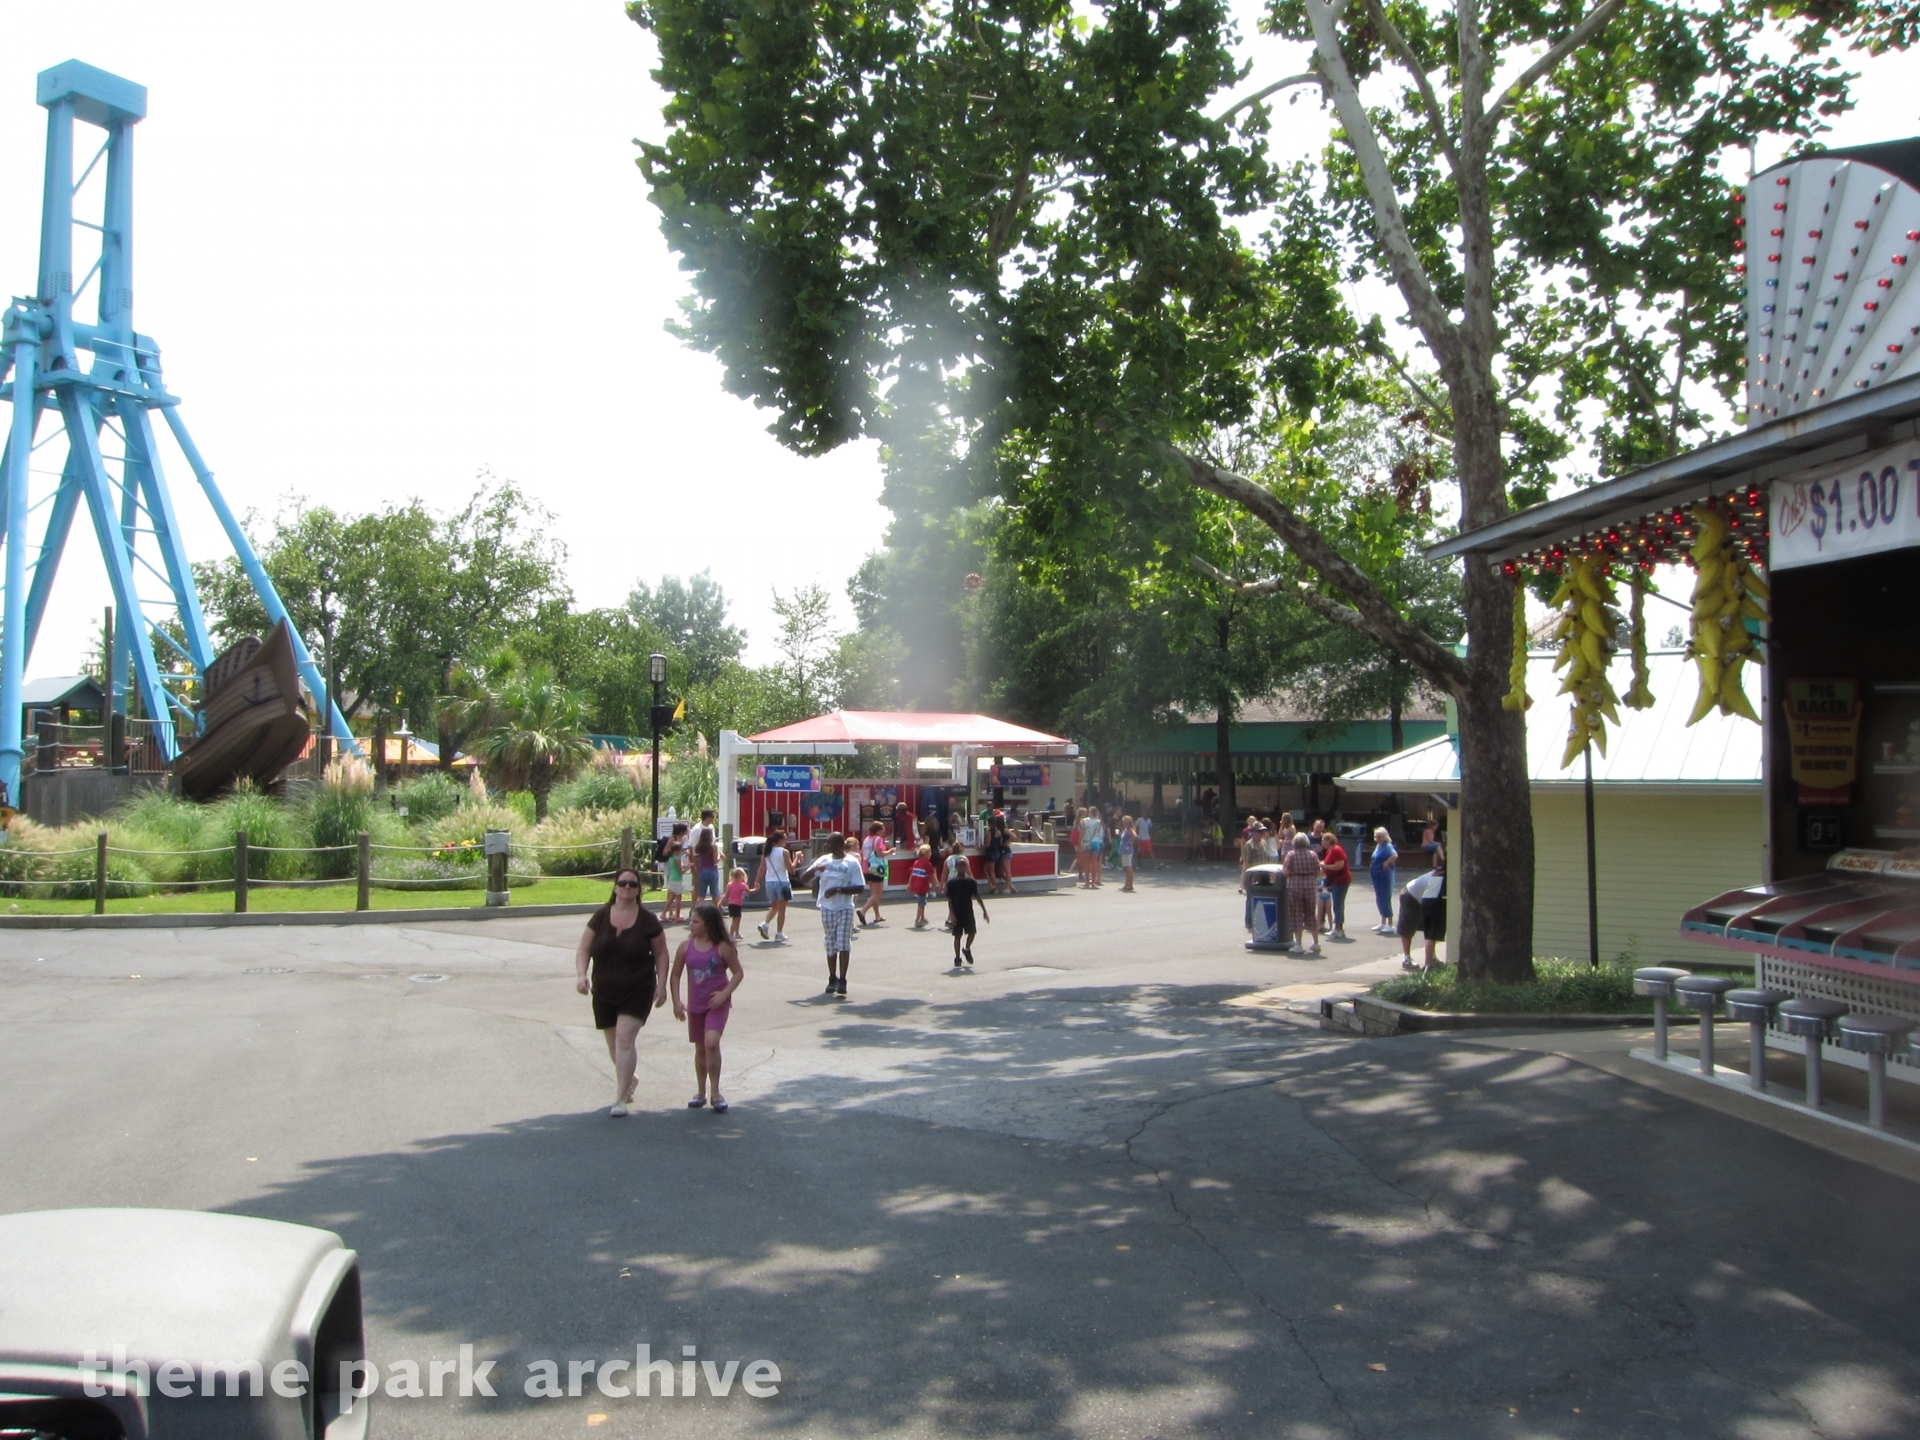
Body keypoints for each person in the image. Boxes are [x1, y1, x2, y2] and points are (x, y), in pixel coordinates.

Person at [573, 868, 669, 1116]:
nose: (627, 887)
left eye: (633, 884)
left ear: (638, 890)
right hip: (604, 988)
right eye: (623, 883)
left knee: (624, 1040)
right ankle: (630, 1079)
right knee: (615, 1045)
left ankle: (620, 1098)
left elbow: (661, 953)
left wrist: (661, 984)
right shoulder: (601, 916)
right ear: (615, 887)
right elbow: (584, 949)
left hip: (638, 988)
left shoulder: (647, 920)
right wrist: (581, 975)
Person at [670, 903, 742, 1114]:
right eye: (691, 920)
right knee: (700, 1048)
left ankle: (716, 1092)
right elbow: (675, 975)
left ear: (708, 924)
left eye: (695, 921)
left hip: (716, 1004)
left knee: (711, 1042)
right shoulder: (685, 947)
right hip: (695, 1004)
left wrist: (724, 994)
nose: (691, 924)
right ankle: (701, 1091)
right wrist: (676, 1001)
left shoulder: (723, 947)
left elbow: (738, 973)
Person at [800, 833, 866, 996]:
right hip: (827, 907)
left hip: (845, 907)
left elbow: (859, 887)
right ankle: (832, 978)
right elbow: (803, 878)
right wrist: (816, 869)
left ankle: (842, 980)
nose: (826, 846)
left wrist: (838, 889)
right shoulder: (824, 860)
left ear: (838, 845)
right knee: (830, 943)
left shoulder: (851, 862)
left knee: (843, 942)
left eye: (829, 843)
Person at [1282, 831, 1324, 956]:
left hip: (1295, 886)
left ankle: (1299, 945)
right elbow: (1318, 873)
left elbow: (1286, 872)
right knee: (1311, 913)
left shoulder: (1291, 855)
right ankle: (1316, 943)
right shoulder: (1313, 855)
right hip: (1310, 886)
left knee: (1296, 914)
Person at [945, 849, 989, 968]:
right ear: (956, 867)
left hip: (968, 911)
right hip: (957, 911)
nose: (962, 868)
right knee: (957, 935)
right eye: (960, 865)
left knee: (972, 932)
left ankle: (967, 948)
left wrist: (984, 911)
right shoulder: (952, 883)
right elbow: (950, 899)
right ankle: (957, 957)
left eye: (964, 866)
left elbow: (977, 896)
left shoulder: (971, 881)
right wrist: (951, 914)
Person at [1406, 848, 1447, 971]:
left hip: (1426, 901)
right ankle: (1428, 964)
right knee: (1432, 935)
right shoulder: (1448, 874)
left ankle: (1431, 960)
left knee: (1429, 934)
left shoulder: (1437, 872)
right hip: (1436, 902)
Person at [754, 829, 793, 943]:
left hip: (769, 881)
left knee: (775, 906)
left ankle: (765, 924)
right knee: (782, 910)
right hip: (782, 881)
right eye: (784, 838)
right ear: (779, 840)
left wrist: (756, 881)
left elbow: (761, 868)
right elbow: (791, 869)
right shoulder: (784, 852)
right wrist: (797, 859)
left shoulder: (767, 852)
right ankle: (779, 933)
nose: (786, 840)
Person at [1320, 832, 1351, 941]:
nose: (1322, 842)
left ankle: (1339, 929)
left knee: (1338, 904)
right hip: (1334, 881)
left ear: (1329, 840)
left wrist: (1326, 866)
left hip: (1341, 881)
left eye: (1323, 840)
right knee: (1337, 904)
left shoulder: (1337, 850)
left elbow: (1339, 865)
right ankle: (1337, 927)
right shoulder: (1330, 851)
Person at [859, 819, 891, 926]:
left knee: (873, 894)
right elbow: (880, 854)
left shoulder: (867, 839)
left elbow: (862, 853)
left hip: (866, 867)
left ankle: (877, 915)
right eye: (882, 828)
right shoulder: (878, 839)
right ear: (878, 830)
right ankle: (863, 911)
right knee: (877, 894)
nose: (884, 830)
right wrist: (890, 851)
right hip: (876, 868)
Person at [1368, 827, 1400, 934]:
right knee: (1379, 899)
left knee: (1385, 898)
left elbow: (1394, 855)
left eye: (1379, 837)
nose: (1377, 839)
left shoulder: (1388, 846)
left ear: (1385, 837)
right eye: (1376, 837)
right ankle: (1382, 922)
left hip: (1385, 876)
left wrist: (1386, 863)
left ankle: (1390, 924)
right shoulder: (1379, 846)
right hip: (1377, 876)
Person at [690, 808, 722, 905]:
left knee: (713, 890)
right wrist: (693, 864)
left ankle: (715, 908)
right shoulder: (696, 829)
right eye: (712, 816)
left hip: (708, 856)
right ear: (707, 817)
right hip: (698, 858)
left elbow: (713, 842)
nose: (714, 818)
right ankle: (693, 906)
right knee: (697, 885)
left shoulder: (711, 827)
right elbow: (691, 846)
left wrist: (717, 852)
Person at [661, 821, 690, 924]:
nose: (688, 831)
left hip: (677, 863)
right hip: (671, 865)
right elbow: (665, 852)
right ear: (682, 831)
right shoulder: (672, 839)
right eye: (686, 829)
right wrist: (676, 854)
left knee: (673, 891)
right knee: (672, 891)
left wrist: (684, 852)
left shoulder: (684, 839)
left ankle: (673, 913)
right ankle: (670, 912)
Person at [908, 843, 934, 927]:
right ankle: (918, 919)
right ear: (925, 854)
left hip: (916, 885)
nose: (930, 854)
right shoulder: (927, 863)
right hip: (922, 886)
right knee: (921, 903)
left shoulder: (916, 862)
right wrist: (936, 884)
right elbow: (932, 874)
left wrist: (909, 884)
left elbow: (912, 873)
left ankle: (922, 917)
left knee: (922, 901)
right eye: (929, 852)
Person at [723, 866, 749, 940]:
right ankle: (731, 935)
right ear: (741, 876)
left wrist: (721, 901)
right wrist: (756, 889)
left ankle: (737, 933)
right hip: (737, 904)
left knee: (737, 919)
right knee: (735, 920)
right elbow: (749, 891)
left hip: (731, 904)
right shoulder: (742, 885)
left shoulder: (729, 884)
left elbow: (726, 894)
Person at [1118, 815, 1138, 892]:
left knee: (1128, 867)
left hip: (1127, 850)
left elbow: (1135, 836)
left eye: (1124, 821)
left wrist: (1129, 842)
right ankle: (1127, 884)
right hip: (1123, 850)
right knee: (1126, 867)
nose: (1123, 823)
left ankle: (1130, 884)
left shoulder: (1130, 829)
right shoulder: (1125, 829)